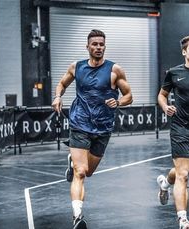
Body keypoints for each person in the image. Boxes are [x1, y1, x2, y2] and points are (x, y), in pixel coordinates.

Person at [52, 29, 132, 229]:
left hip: (103, 128)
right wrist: (58, 96)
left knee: (89, 172)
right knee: (81, 172)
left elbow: (129, 95)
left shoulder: (115, 70)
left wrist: (119, 102)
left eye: (101, 44)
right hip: (79, 123)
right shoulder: (76, 67)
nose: (98, 47)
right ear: (87, 46)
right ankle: (77, 217)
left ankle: (72, 162)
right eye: (94, 44)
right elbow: (62, 83)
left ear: (105, 46)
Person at [157, 35, 189, 229]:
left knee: (180, 172)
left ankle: (164, 183)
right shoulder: (174, 73)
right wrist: (165, 106)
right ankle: (182, 219)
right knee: (184, 174)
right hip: (180, 127)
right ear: (184, 52)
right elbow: (162, 95)